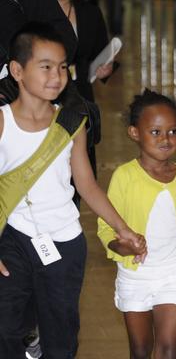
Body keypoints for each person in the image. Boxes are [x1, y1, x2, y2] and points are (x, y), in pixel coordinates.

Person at [0, 22, 145, 358]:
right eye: (46, 66)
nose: (57, 75)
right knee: (5, 327)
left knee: (61, 335)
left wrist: (124, 229)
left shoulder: (71, 122)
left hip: (64, 244)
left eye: (63, 66)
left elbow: (87, 185)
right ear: (17, 70)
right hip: (14, 237)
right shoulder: (3, 122)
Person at [97, 89, 176, 359]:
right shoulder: (124, 177)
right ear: (135, 133)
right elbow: (105, 228)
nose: (166, 139)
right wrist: (123, 247)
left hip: (173, 274)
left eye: (173, 131)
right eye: (155, 132)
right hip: (135, 276)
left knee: (169, 349)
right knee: (141, 349)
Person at [38, 0, 113, 104]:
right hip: (43, 95)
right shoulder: (34, 15)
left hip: (82, 94)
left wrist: (107, 69)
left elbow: (102, 53)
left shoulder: (90, 13)